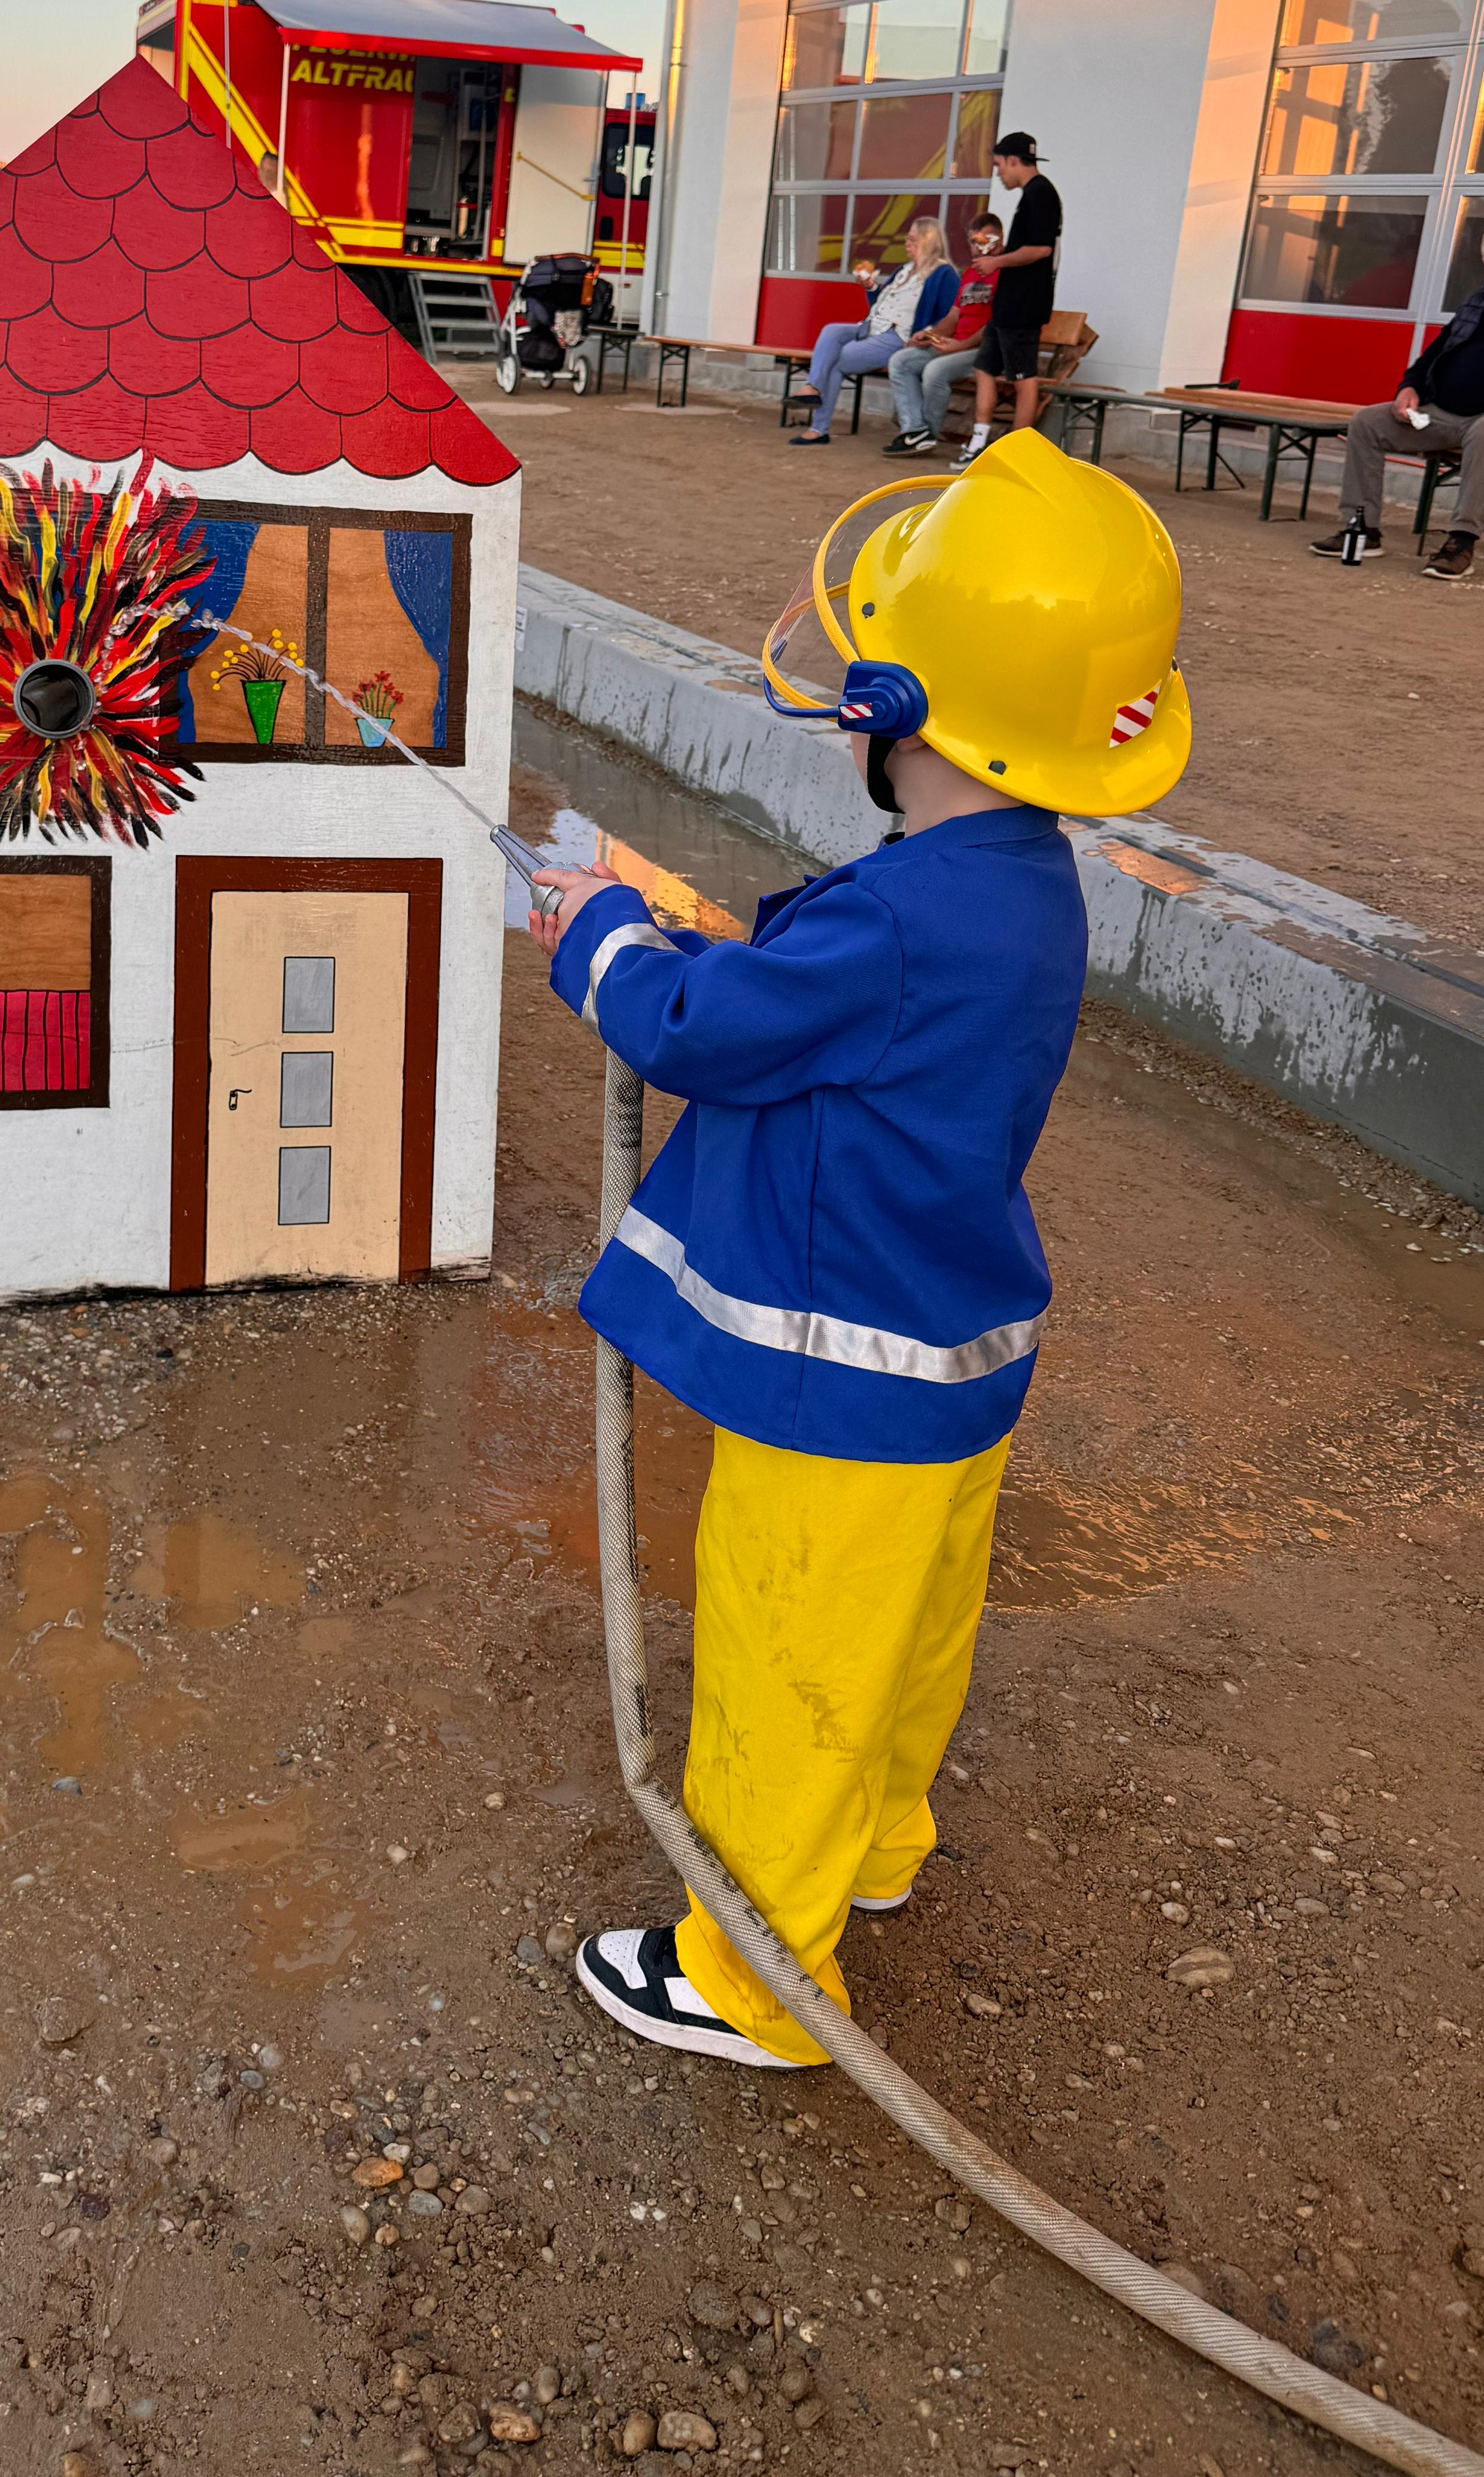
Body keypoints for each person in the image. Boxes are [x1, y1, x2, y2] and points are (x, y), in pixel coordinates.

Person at [527, 431, 1190, 2069]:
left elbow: (694, 1030)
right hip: (950, 1355)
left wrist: (593, 930)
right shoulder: (1015, 880)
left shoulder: (898, 918)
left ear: (895, 707)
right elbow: (829, 991)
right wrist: (696, 928)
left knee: (789, 1654)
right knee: (902, 1642)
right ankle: (877, 1847)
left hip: (837, 1375)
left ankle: (753, 1976)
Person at [1309, 220, 1484, 582]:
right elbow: (1436, 352)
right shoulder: (1477, 302)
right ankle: (1362, 529)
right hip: (1444, 415)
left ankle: (1461, 543)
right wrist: (1409, 387)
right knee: (1368, 422)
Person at [792, 216, 958, 445]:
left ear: (928, 241)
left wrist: (927, 335)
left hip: (898, 336)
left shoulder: (944, 273)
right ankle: (812, 388)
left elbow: (950, 315)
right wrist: (871, 287)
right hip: (871, 327)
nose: (907, 244)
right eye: (907, 239)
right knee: (831, 331)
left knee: (836, 359)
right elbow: (881, 304)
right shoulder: (904, 270)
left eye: (912, 239)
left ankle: (818, 428)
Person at [962, 134, 1063, 454]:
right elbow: (1029, 247)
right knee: (984, 366)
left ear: (1013, 160)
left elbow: (1041, 249)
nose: (998, 173)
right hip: (1009, 304)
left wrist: (996, 262)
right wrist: (1000, 255)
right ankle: (979, 442)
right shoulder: (1033, 194)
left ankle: (1018, 452)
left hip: (1025, 304)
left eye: (998, 165)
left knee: (1023, 377)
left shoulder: (1041, 194)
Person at [883, 215, 1006, 455]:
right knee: (901, 361)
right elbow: (953, 315)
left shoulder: (1006, 274)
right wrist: (930, 334)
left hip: (984, 351)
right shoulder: (971, 273)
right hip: (955, 346)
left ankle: (927, 434)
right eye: (973, 241)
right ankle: (915, 431)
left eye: (984, 240)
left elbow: (995, 325)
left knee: (935, 370)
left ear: (999, 240)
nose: (977, 247)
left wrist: (960, 346)